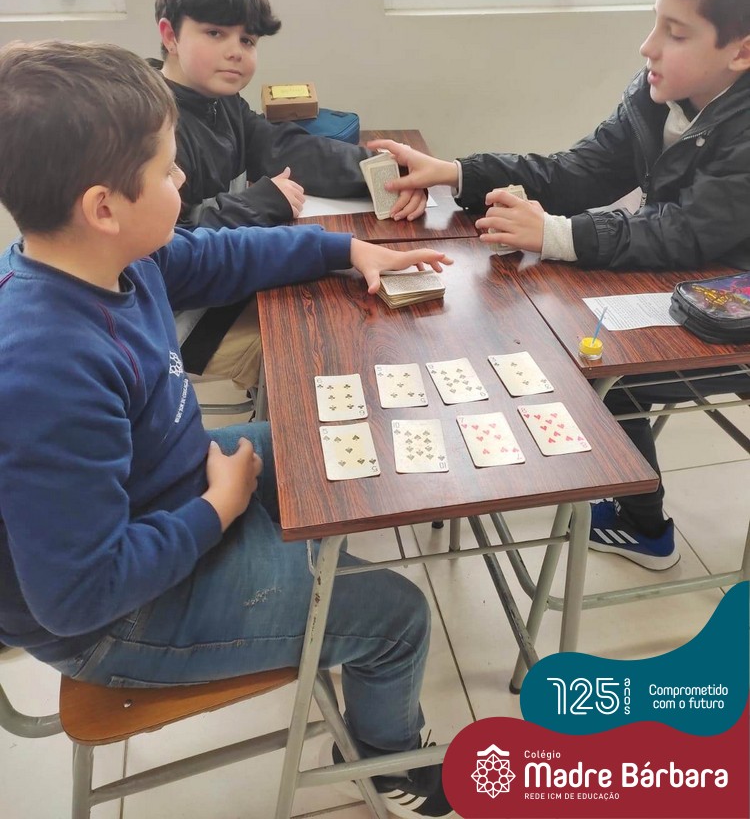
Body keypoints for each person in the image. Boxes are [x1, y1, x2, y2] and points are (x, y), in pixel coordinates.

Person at [0, 40, 455, 819]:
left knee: (333, 443)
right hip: (115, 619)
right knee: (397, 616)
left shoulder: (113, 259)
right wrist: (218, 509)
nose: (183, 180)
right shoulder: (49, 368)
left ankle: (301, 585)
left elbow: (222, 253)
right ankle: (392, 766)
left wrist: (347, 248)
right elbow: (78, 597)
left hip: (168, 496)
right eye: (167, 170)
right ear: (104, 207)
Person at [374, 0, 750, 573]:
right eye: (655, 22)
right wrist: (458, 172)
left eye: (676, 32)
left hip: (731, 309)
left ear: (741, 52)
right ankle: (621, 488)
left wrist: (558, 234)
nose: (648, 46)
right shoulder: (658, 93)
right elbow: (578, 172)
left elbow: (687, 232)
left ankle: (644, 527)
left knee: (605, 360)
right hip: (690, 280)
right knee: (572, 328)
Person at [150, 0, 426, 394]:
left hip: (226, 281)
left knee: (347, 301)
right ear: (170, 36)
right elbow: (170, 245)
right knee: (325, 340)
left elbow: (286, 148)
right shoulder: (150, 123)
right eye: (215, 33)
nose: (235, 51)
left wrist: (391, 173)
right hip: (181, 319)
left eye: (247, 39)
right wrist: (262, 202)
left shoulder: (221, 101)